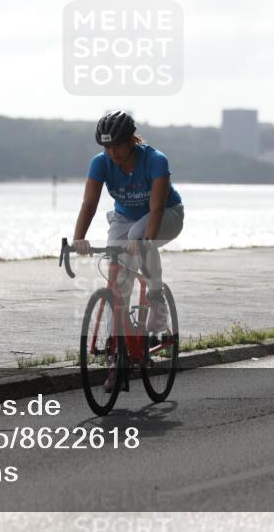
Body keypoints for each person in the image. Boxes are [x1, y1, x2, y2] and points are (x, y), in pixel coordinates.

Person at [71, 110, 185, 361]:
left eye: (117, 146)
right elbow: (89, 204)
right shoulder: (100, 163)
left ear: (132, 140)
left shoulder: (156, 160)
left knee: (139, 236)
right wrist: (78, 238)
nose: (113, 153)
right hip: (124, 218)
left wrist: (144, 241)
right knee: (118, 280)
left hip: (167, 214)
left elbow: (155, 208)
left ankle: (156, 299)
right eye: (107, 147)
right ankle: (117, 347)